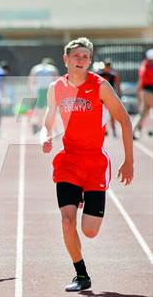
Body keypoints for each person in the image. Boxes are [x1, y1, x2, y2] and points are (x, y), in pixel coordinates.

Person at [40, 37, 133, 292]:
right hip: (68, 161)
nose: (81, 60)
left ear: (89, 61)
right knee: (67, 221)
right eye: (76, 56)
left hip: (94, 163)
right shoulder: (56, 87)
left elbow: (124, 120)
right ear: (65, 59)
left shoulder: (100, 86)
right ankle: (81, 275)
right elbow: (47, 120)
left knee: (89, 231)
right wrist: (46, 136)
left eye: (85, 56)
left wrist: (129, 161)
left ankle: (83, 196)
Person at [28, 57, 59, 134]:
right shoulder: (52, 68)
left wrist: (32, 91)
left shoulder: (36, 68)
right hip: (49, 90)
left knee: (39, 111)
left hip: (40, 90)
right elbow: (57, 80)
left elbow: (31, 80)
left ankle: (39, 127)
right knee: (52, 110)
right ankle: (52, 129)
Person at [97, 59, 121, 137]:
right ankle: (103, 130)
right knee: (101, 113)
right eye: (107, 66)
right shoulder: (100, 74)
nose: (108, 68)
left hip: (110, 96)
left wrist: (118, 94)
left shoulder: (113, 75)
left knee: (112, 113)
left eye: (109, 66)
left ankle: (113, 130)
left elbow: (117, 85)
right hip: (101, 96)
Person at [133, 48, 153, 139]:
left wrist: (138, 93)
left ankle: (133, 130)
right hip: (150, 92)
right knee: (143, 113)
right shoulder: (148, 68)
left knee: (143, 113)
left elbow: (140, 81)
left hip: (145, 92)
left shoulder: (144, 65)